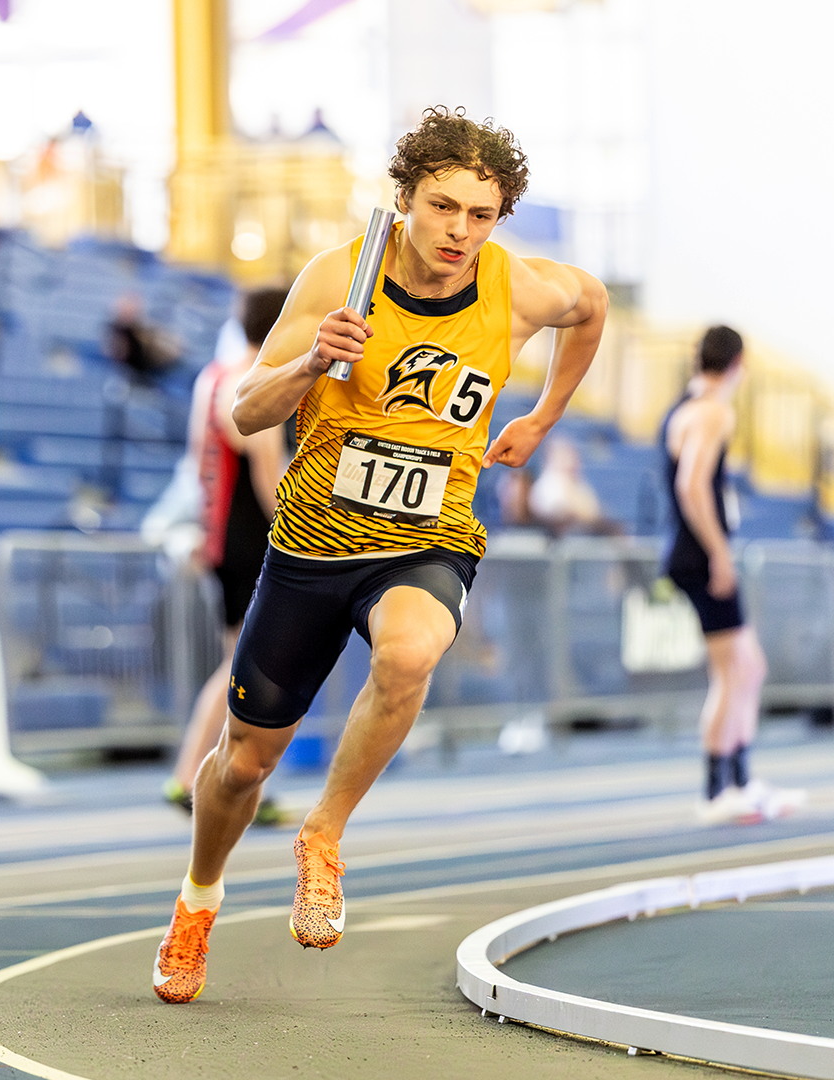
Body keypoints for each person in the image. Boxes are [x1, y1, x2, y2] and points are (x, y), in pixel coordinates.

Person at [151, 107, 607, 1003]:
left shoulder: (518, 289)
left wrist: (543, 416)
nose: (460, 232)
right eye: (443, 208)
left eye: (481, 216)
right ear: (404, 198)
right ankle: (198, 900)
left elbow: (590, 310)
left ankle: (323, 836)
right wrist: (313, 364)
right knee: (242, 763)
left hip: (426, 539)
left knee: (409, 652)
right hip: (313, 545)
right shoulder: (339, 278)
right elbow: (245, 411)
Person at [660, 327, 804, 825]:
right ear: (738, 364)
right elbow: (692, 486)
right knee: (731, 672)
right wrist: (719, 553)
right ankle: (717, 789)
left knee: (750, 667)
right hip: (699, 554)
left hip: (693, 550)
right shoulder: (714, 412)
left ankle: (742, 779)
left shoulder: (685, 406)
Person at [163, 287, 292, 826]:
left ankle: (212, 777)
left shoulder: (212, 375)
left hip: (222, 533)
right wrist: (298, 526)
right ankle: (198, 776)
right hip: (250, 536)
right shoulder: (251, 379)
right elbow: (266, 465)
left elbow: (200, 461)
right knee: (248, 666)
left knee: (243, 664)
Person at [526, 437, 621, 536]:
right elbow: (551, 511)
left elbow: (592, 511)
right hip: (557, 537)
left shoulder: (578, 482)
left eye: (570, 455)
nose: (569, 460)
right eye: (563, 456)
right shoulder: (548, 482)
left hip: (585, 534)